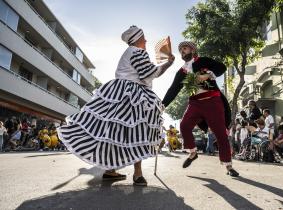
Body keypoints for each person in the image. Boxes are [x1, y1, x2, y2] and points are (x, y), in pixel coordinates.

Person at [57, 26, 175, 186]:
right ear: (137, 39)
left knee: (113, 133)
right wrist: (169, 63)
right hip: (132, 94)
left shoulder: (128, 53)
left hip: (118, 93)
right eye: (144, 38)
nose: (146, 41)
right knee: (138, 131)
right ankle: (137, 174)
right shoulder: (138, 52)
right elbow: (149, 73)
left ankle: (110, 170)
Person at [162, 41, 238, 177]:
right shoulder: (182, 72)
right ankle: (193, 153)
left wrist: (207, 75)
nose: (182, 51)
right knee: (184, 125)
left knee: (221, 133)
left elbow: (222, 67)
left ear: (192, 50)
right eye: (180, 50)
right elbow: (173, 90)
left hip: (213, 101)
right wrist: (162, 105)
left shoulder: (203, 61)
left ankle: (228, 166)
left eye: (184, 48)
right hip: (195, 104)